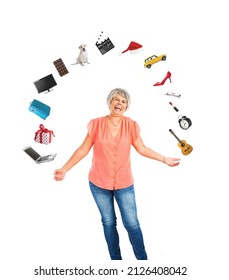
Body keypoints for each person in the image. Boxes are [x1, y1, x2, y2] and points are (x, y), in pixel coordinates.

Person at [54, 88, 180, 260]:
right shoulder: (96, 124)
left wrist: (164, 159)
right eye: (116, 99)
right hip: (98, 183)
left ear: (127, 106)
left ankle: (143, 263)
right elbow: (83, 149)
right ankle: (116, 263)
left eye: (123, 101)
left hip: (124, 183)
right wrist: (64, 168)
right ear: (109, 102)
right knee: (108, 222)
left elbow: (142, 148)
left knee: (132, 224)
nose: (119, 103)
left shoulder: (131, 125)